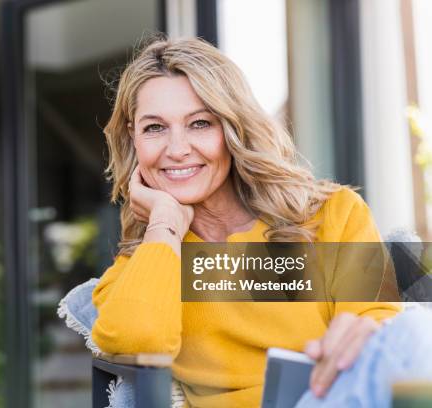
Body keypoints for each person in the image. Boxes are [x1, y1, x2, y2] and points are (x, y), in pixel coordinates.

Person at [90, 36, 427, 407]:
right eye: (154, 128)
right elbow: (141, 338)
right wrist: (166, 223)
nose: (177, 149)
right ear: (132, 139)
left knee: (416, 331)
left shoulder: (333, 215)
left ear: (234, 128)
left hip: (333, 397)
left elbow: (380, 334)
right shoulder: (145, 263)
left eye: (200, 123)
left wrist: (360, 339)